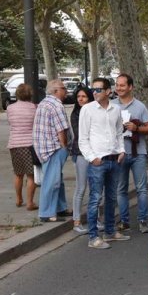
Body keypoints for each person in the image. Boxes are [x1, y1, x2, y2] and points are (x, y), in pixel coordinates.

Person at [78, 77, 128, 249]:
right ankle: (93, 236)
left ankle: (110, 231)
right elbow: (82, 138)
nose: (95, 92)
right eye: (94, 89)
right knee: (94, 199)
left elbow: (119, 132)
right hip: (98, 161)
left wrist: (122, 150)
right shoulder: (87, 109)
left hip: (114, 159)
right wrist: (92, 158)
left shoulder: (116, 109)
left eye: (99, 89)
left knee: (111, 197)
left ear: (108, 91)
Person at [113, 74, 148, 234]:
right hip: (119, 153)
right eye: (117, 85)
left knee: (141, 188)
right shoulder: (111, 105)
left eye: (122, 85)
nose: (119, 88)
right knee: (121, 189)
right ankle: (124, 221)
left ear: (130, 87)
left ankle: (143, 220)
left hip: (138, 153)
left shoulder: (140, 106)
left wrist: (136, 128)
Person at [32, 79, 71, 222]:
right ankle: (47, 213)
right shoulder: (56, 105)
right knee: (52, 180)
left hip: (44, 147)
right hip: (53, 148)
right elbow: (61, 129)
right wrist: (64, 145)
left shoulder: (44, 103)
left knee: (57, 179)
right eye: (63, 88)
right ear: (56, 91)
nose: (66, 91)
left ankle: (60, 208)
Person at [6, 84, 38, 211]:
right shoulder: (35, 107)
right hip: (30, 144)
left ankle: (18, 199)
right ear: (30, 94)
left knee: (18, 173)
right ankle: (30, 202)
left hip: (14, 143)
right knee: (31, 175)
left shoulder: (10, 108)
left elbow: (10, 122)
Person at [68, 86, 94, 234]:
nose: (81, 99)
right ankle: (76, 221)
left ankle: (94, 219)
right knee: (81, 187)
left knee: (95, 188)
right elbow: (81, 134)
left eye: (84, 96)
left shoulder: (93, 111)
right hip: (81, 153)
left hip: (95, 153)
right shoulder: (76, 114)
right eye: (79, 97)